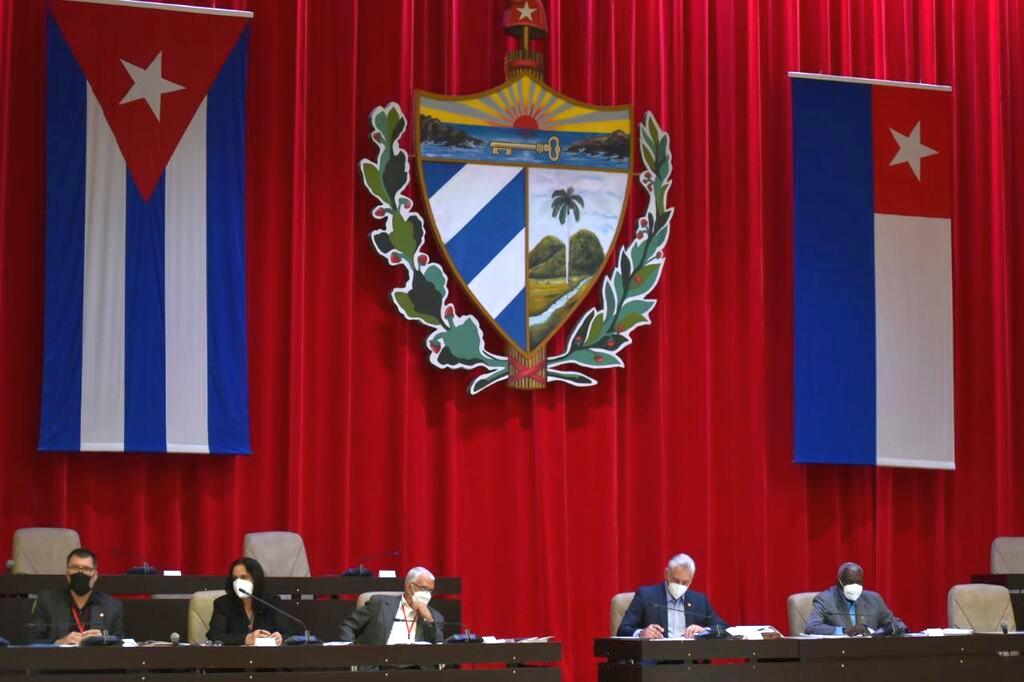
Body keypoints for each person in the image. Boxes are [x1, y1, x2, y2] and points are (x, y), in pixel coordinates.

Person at [27, 548, 126, 644]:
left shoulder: (112, 606)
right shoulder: (47, 600)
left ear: (95, 576)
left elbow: (121, 643)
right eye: (74, 568)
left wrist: (104, 639)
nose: (80, 573)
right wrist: (57, 643)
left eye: (86, 569)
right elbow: (32, 641)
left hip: (97, 660)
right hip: (59, 659)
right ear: (67, 573)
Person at [617, 553, 728, 638]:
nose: (680, 585)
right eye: (676, 580)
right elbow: (622, 630)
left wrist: (704, 630)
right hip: (655, 660)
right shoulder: (646, 596)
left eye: (685, 582)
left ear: (692, 579)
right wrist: (642, 633)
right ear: (666, 574)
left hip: (690, 662)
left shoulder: (700, 601)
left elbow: (722, 628)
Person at [340, 566, 445, 644]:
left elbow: (439, 649)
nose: (427, 594)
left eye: (431, 591)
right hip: (381, 666)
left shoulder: (434, 617)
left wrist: (429, 620)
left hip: (416, 669)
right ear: (409, 588)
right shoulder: (379, 605)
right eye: (423, 589)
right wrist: (353, 655)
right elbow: (348, 626)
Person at [207, 558, 295, 645]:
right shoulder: (223, 604)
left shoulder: (272, 602)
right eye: (235, 578)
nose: (238, 582)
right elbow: (214, 636)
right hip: (233, 657)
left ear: (256, 579)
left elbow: (289, 635)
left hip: (266, 657)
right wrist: (246, 638)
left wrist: (281, 638)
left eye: (244, 577)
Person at [805, 562, 908, 636]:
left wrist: (883, 631)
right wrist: (845, 631)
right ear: (839, 583)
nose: (855, 586)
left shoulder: (874, 599)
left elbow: (897, 624)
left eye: (859, 582)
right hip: (839, 654)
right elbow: (812, 627)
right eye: (850, 582)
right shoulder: (825, 599)